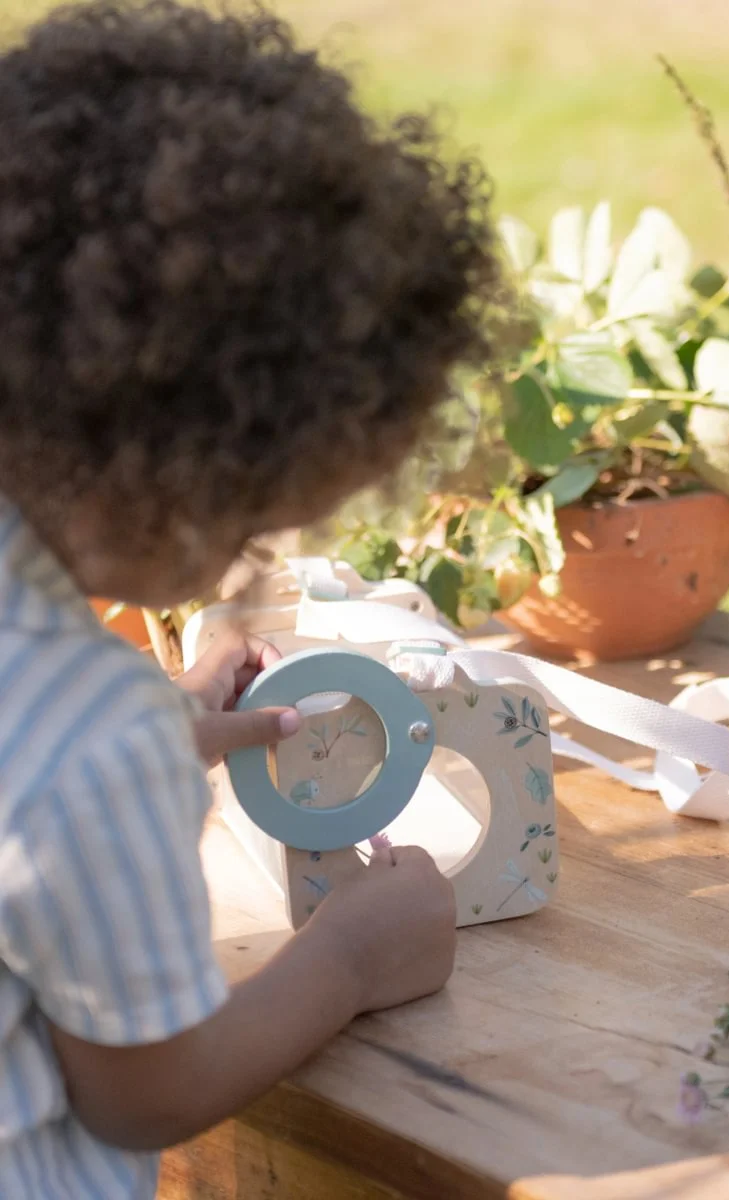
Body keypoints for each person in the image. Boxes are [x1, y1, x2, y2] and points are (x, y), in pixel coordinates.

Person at [0, 2, 499, 1195]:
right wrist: (345, 963)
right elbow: (146, 1094)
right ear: (175, 471)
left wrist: (134, 746)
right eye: (252, 520)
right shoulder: (95, 735)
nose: (254, 554)